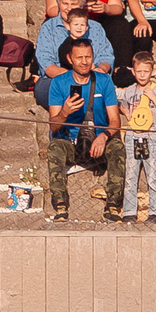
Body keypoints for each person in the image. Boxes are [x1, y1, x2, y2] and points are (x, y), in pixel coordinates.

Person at [44, 35, 119, 222]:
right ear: (70, 59)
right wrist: (65, 112)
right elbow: (53, 126)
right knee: (54, 149)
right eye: (79, 58)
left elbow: (115, 120)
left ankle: (113, 206)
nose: (84, 62)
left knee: (118, 148)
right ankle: (60, 205)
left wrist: (104, 137)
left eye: (88, 57)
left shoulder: (104, 81)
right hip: (71, 141)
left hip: (98, 140)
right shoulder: (59, 83)